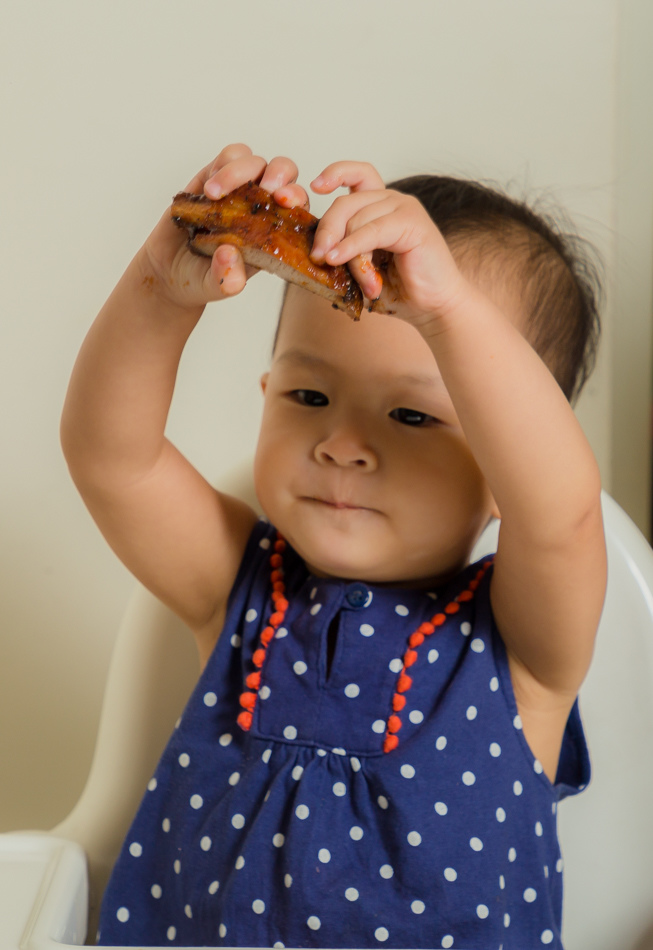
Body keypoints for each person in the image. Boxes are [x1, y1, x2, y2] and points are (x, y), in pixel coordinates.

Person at [60, 143, 606, 949]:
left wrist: (447, 314)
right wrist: (159, 285)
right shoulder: (238, 586)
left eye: (412, 415)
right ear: (267, 393)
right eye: (309, 395)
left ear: (504, 465)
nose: (341, 445)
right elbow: (111, 457)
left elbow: (559, 514)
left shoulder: (522, 653)